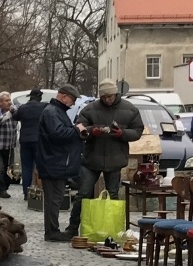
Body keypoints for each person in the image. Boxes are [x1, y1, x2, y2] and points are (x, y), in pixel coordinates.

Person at [67, 81, 143, 236]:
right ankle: (73, 227)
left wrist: (123, 134)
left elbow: (137, 130)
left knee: (113, 195)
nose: (107, 99)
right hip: (91, 159)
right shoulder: (89, 109)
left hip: (115, 159)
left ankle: (113, 228)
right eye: (104, 97)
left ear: (115, 94)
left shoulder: (130, 109)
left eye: (110, 96)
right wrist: (90, 132)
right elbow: (79, 127)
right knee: (83, 194)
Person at [36, 86, 83, 241]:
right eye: (72, 99)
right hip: (53, 162)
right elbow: (58, 134)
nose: (73, 103)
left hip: (55, 162)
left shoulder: (56, 111)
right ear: (64, 96)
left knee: (55, 198)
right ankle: (52, 232)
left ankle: (53, 230)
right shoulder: (52, 112)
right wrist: (77, 130)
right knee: (53, 199)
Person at [13, 88, 45, 199]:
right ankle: (40, 190)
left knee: (26, 167)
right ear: (39, 97)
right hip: (39, 140)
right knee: (40, 166)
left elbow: (15, 117)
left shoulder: (23, 108)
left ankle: (26, 193)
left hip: (25, 140)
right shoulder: (44, 107)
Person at [0, 91, 17, 198]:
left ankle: (6, 186)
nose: (9, 102)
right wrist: (8, 114)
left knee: (9, 169)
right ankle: (1, 190)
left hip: (10, 146)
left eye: (10, 100)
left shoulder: (13, 111)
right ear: (0, 102)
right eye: (6, 100)